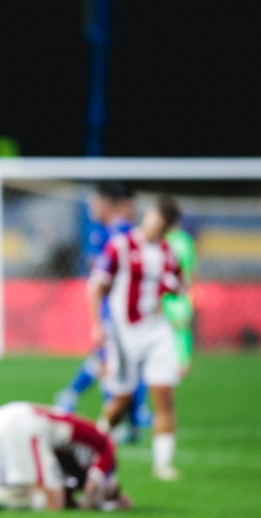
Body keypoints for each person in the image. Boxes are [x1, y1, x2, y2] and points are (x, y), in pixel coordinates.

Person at [89, 195, 184, 481]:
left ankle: (163, 464)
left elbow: (177, 288)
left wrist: (169, 309)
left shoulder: (168, 254)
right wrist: (97, 325)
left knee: (164, 395)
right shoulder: (120, 245)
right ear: (149, 214)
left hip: (157, 330)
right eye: (157, 217)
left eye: (165, 223)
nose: (158, 225)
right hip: (123, 331)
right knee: (123, 398)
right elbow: (96, 287)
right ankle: (93, 445)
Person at [56, 181, 149, 441]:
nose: (91, 208)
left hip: (124, 310)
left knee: (114, 363)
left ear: (110, 203)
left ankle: (124, 417)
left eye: (95, 203)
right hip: (113, 310)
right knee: (113, 362)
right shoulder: (105, 233)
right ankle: (127, 419)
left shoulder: (120, 235)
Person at [0, 402, 132, 513]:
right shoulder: (107, 452)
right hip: (26, 425)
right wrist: (103, 505)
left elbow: (65, 482)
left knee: (7, 491)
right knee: (52, 503)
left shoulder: (82, 459)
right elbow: (90, 492)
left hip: (4, 417)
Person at [162, 220, 198, 375]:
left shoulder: (163, 240)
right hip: (183, 291)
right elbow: (193, 267)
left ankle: (168, 361)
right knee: (182, 328)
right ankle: (184, 362)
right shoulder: (186, 240)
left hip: (165, 292)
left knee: (166, 328)